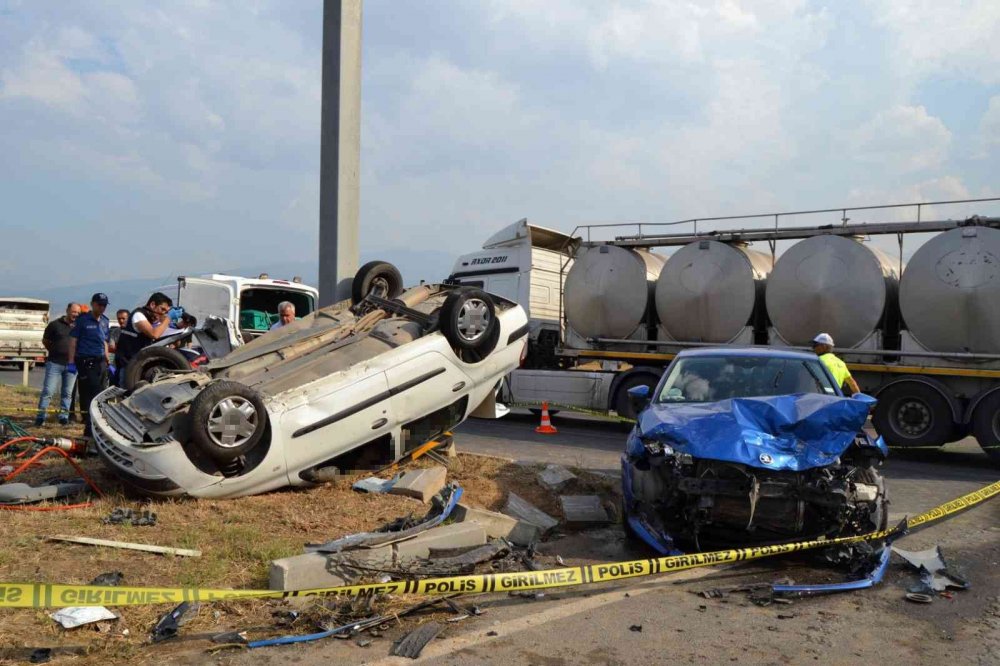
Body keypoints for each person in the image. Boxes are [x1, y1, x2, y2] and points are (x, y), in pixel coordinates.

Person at [68, 293, 111, 437]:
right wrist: (71, 362)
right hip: (86, 361)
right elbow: (73, 341)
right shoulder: (83, 320)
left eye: (104, 305)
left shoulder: (105, 321)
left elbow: (104, 341)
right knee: (92, 394)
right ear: (92, 304)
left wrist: (107, 358)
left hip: (100, 362)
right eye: (99, 304)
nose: (102, 307)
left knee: (100, 392)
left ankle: (93, 426)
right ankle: (89, 426)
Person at [35, 303, 81, 426]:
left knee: (67, 393)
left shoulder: (79, 327)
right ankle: (41, 417)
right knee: (48, 391)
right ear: (67, 311)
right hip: (55, 363)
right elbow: (45, 341)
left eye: (78, 312)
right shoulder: (54, 325)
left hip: (72, 365)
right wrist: (55, 351)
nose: (75, 315)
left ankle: (63, 417)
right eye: (73, 312)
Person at [114, 292, 173, 386]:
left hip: (138, 365)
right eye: (162, 309)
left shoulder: (149, 317)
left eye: (166, 311)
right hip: (128, 366)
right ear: (152, 305)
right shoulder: (138, 315)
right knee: (127, 396)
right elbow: (155, 334)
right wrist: (168, 319)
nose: (163, 313)